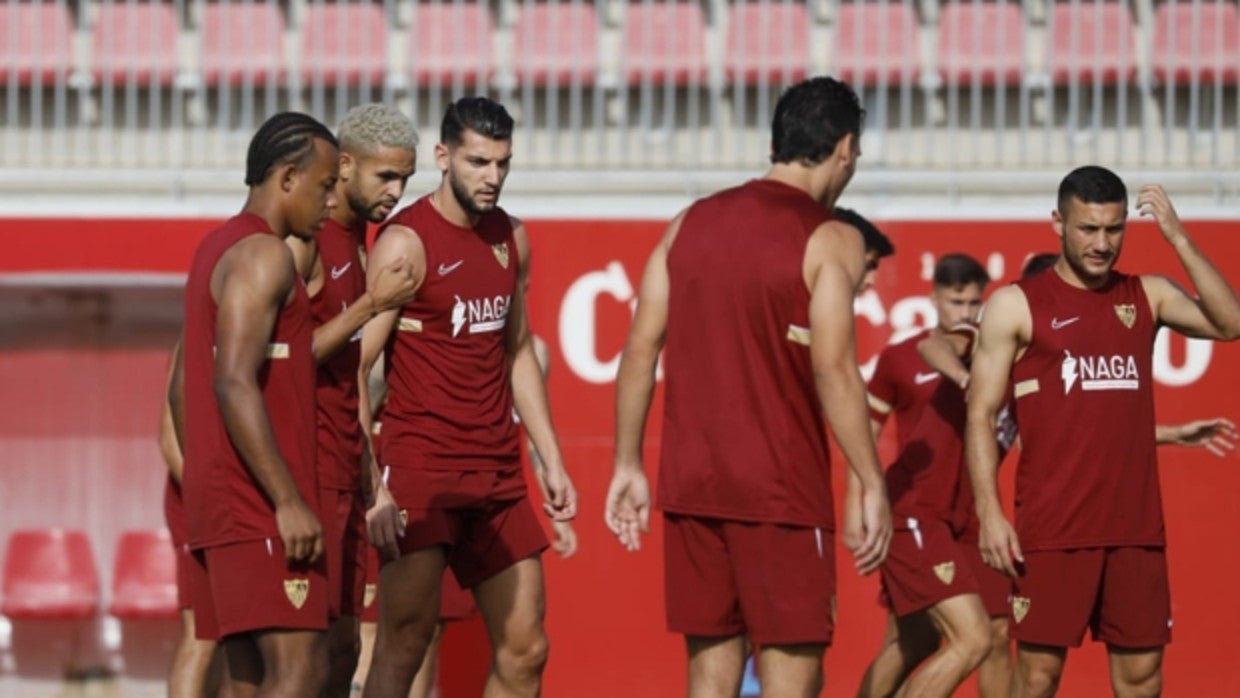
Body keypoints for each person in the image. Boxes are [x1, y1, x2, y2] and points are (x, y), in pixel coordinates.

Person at [605, 76, 892, 697]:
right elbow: (836, 370)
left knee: (710, 677)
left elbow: (639, 349)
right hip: (779, 493)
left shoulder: (689, 222)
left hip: (692, 486)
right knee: (794, 677)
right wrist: (870, 481)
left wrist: (627, 463)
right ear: (845, 148)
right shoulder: (834, 238)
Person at [966, 166, 1240, 697]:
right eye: (1087, 228)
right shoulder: (1015, 305)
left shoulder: (1147, 295)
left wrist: (1177, 235)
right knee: (1038, 677)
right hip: (1052, 530)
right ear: (1058, 223)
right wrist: (988, 513)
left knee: (1140, 680)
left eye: (1114, 229)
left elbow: (1230, 323)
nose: (1101, 243)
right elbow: (979, 415)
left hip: (1135, 530)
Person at [357, 96, 577, 698]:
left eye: (503, 163)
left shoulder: (511, 237)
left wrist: (550, 458)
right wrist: (373, 485)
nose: (493, 177)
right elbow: (358, 365)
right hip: (423, 472)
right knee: (405, 645)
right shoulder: (405, 242)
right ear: (442, 157)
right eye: (479, 162)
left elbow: (519, 350)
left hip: (498, 476)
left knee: (528, 648)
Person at [168, 111, 341, 696]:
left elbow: (180, 384)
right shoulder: (266, 256)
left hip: (228, 504)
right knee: (301, 671)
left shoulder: (212, 248)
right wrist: (286, 500)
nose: (330, 202)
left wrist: (210, 483)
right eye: (324, 186)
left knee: (247, 682)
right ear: (287, 178)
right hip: (262, 507)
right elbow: (233, 381)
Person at [282, 103, 420, 697]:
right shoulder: (303, 242)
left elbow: (354, 382)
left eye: (405, 179)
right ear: (343, 166)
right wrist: (372, 305)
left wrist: (374, 485)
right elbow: (289, 356)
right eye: (384, 176)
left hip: (345, 472)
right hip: (304, 474)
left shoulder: (366, 246)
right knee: (297, 656)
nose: (396, 191)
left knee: (343, 648)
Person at [857, 254, 1003, 698]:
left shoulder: (1025, 369)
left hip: (964, 515)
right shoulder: (967, 343)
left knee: (967, 637)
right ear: (934, 298)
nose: (966, 311)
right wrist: (858, 504)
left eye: (975, 302)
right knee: (967, 638)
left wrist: (1167, 434)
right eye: (957, 301)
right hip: (918, 510)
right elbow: (868, 428)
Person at [158, 347, 222, 698]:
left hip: (240, 505)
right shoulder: (195, 339)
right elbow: (169, 441)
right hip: (201, 508)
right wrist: (213, 500)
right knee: (201, 633)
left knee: (233, 639)